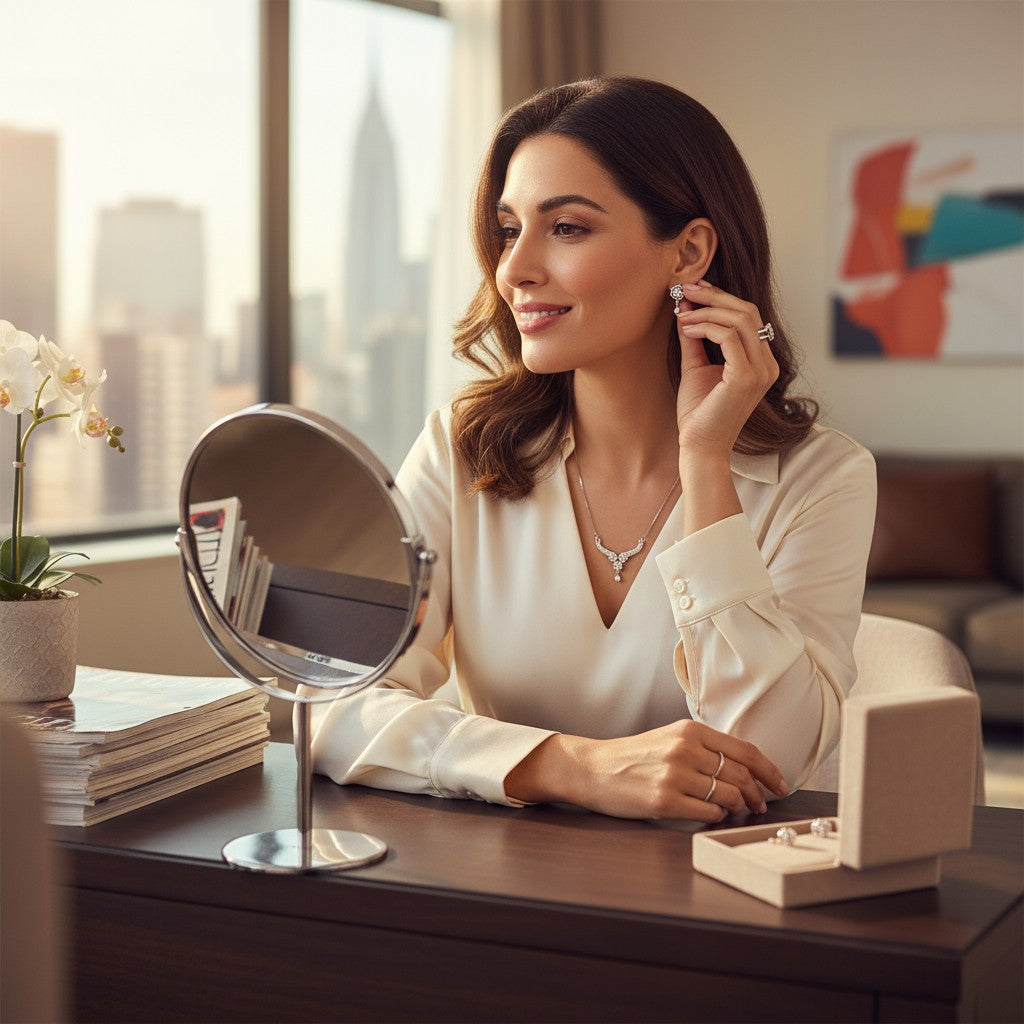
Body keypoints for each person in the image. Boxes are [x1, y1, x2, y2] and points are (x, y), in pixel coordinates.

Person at [309, 76, 876, 822]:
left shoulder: (822, 478)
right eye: (510, 229)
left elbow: (768, 756)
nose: (515, 268)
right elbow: (330, 706)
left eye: (567, 228)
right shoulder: (461, 447)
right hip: (490, 889)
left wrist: (705, 463)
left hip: (717, 906)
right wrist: (574, 766)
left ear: (689, 253)